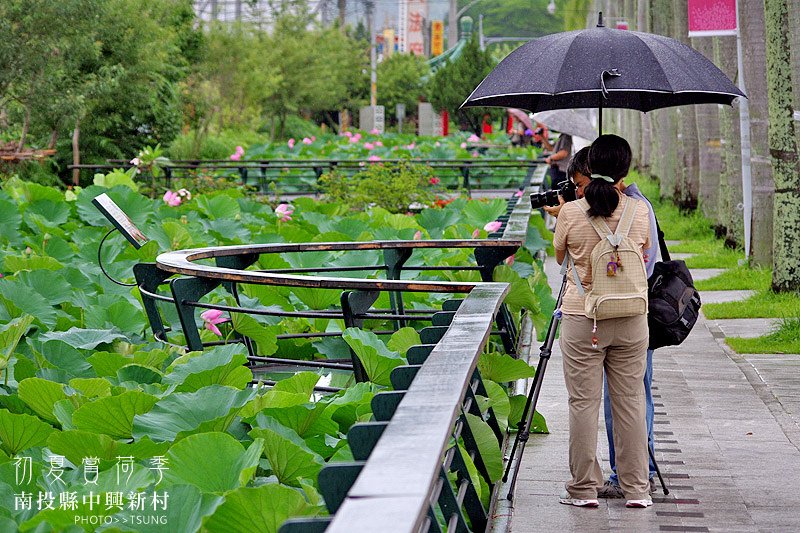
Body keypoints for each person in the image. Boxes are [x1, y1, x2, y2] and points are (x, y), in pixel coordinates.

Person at [546, 145, 662, 500]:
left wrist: (569, 215)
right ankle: (637, 489)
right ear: (625, 170)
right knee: (630, 402)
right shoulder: (641, 211)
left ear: (589, 168)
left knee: (583, 403)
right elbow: (643, 255)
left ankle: (584, 489)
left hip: (584, 319)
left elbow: (561, 256)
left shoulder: (571, 213)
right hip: (631, 318)